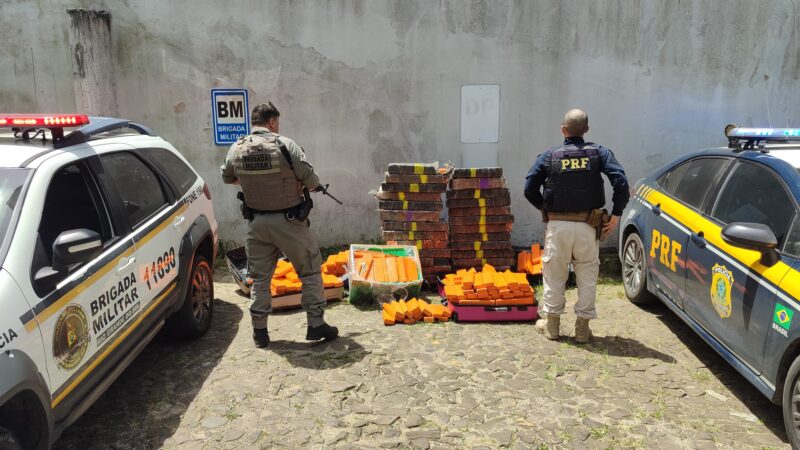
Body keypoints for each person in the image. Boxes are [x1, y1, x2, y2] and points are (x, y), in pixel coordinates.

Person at [221, 102, 338, 348]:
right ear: (272, 122)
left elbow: (228, 177)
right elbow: (311, 178)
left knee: (260, 278)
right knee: (310, 269)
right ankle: (316, 324)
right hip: (288, 222)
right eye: (277, 123)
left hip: (256, 223)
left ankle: (260, 333)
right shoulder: (285, 144)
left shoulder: (237, 147)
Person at [523, 109, 630, 343]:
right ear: (587, 130)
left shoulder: (550, 155)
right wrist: (617, 214)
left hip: (557, 226)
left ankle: (552, 327)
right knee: (587, 276)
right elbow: (620, 181)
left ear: (564, 129)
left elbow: (529, 188)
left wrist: (544, 208)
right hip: (588, 227)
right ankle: (582, 329)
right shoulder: (599, 153)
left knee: (554, 275)